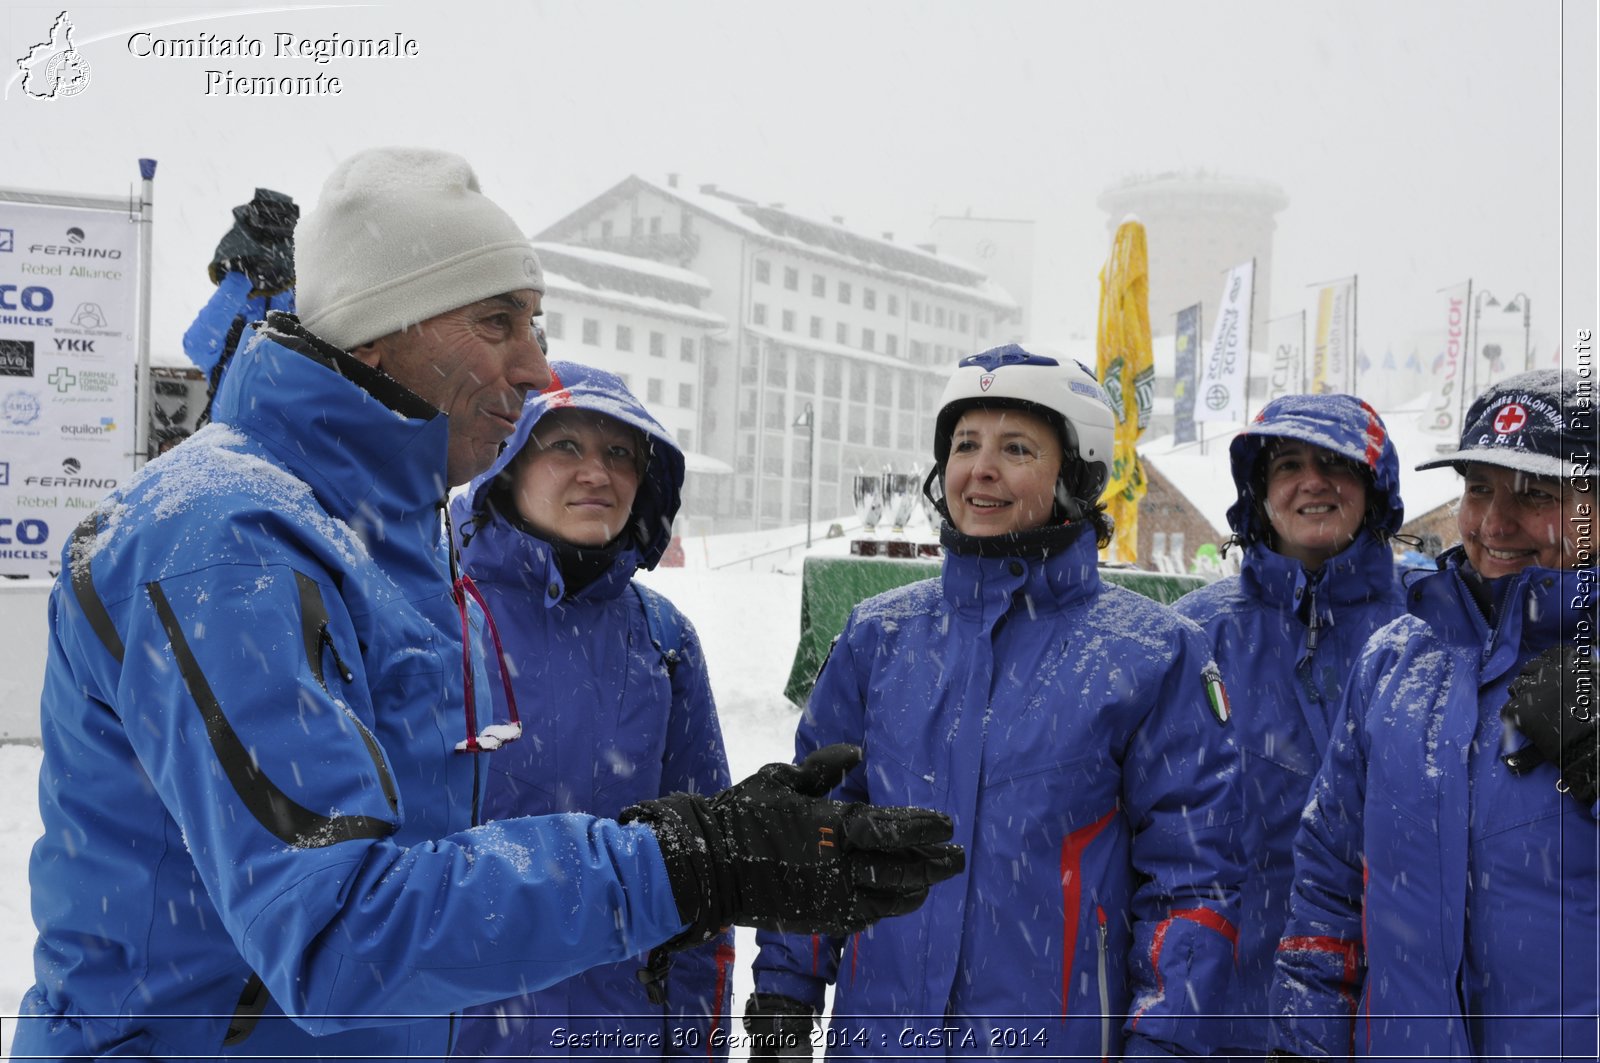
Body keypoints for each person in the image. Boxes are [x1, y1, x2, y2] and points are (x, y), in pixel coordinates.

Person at [16, 146, 963, 1061]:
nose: (537, 369)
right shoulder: (225, 542)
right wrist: (690, 860)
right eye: (499, 322)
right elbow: (337, 928)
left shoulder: (385, 538)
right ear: (380, 329)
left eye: (536, 325)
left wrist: (713, 854)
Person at [745, 345, 1245, 1060]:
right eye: (964, 444)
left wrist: (1166, 1040)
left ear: (1077, 473)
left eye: (1016, 448)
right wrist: (784, 999)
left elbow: (1194, 884)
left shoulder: (1153, 655)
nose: (980, 468)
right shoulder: (878, 637)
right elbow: (809, 834)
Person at [1270, 368, 1597, 1059]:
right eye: (1478, 488)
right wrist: (1307, 1044)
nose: (1494, 522)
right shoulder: (1398, 661)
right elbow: (1328, 884)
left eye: (1537, 493)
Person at [449, 361, 734, 1058]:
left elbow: (708, 879)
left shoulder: (664, 641)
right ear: (508, 462)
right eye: (566, 446)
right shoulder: (428, 614)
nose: (597, 474)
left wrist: (698, 1041)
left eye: (620, 454)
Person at [1172, 393, 1406, 1062]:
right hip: (1234, 1008)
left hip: (1394, 1005)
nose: (1313, 482)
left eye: (1336, 463)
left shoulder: (1431, 625)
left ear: (1373, 486)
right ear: (1259, 491)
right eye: (1290, 464)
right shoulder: (1194, 637)